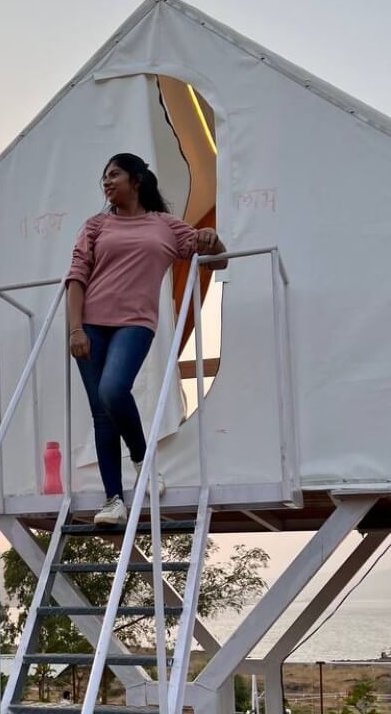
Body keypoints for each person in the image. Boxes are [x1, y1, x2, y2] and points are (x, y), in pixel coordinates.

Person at [66, 152, 227, 525]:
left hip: (136, 323)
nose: (107, 182)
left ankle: (142, 460)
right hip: (90, 325)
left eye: (114, 175)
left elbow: (218, 261)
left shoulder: (166, 226)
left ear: (136, 179)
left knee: (112, 390)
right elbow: (77, 278)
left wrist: (213, 241)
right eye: (104, 177)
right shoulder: (95, 226)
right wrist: (75, 329)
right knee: (102, 417)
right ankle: (113, 501)